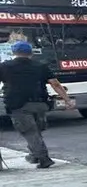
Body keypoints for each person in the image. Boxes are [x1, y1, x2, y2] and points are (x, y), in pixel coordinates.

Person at [1, 39, 71, 168]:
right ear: (31, 53)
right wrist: (67, 100)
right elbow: (55, 84)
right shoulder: (40, 66)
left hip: (18, 105)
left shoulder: (5, 66)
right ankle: (34, 155)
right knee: (35, 131)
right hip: (40, 103)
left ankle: (44, 158)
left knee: (30, 132)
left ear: (14, 52)